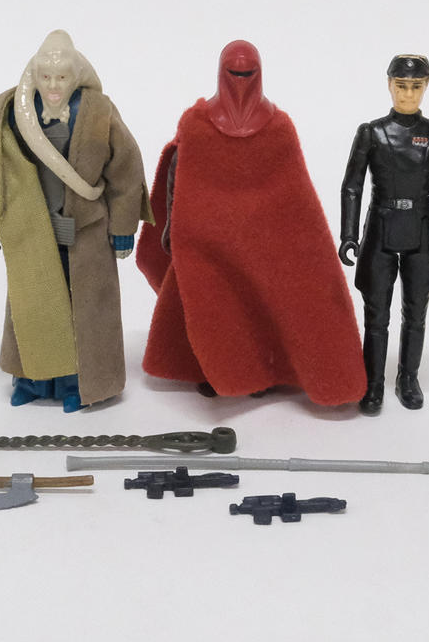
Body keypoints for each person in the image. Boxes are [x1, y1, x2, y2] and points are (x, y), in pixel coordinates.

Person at [137, 40, 366, 407]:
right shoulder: (196, 124)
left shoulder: (278, 127)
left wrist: (302, 245)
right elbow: (179, 174)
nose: (240, 82)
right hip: (205, 239)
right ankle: (211, 371)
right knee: (208, 309)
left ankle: (262, 372)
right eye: (234, 73)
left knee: (261, 306)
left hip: (265, 242)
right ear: (221, 73)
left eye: (248, 74)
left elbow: (295, 192)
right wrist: (171, 225)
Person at [0, 30, 149, 411]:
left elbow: (126, 168)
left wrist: (122, 228)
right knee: (32, 306)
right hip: (32, 228)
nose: (53, 86)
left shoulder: (99, 111)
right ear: (34, 74)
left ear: (75, 76)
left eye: (62, 77)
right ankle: (31, 379)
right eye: (46, 77)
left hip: (85, 232)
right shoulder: (12, 112)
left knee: (85, 312)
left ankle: (77, 383)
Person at [339, 55, 429, 414]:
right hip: (381, 227)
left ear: (426, 87)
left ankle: (408, 378)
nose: (408, 94)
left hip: (420, 229)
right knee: (376, 314)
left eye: (415, 86)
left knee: (416, 312)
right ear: (389, 85)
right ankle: (373, 383)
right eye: (401, 85)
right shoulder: (372, 132)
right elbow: (352, 186)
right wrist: (349, 234)